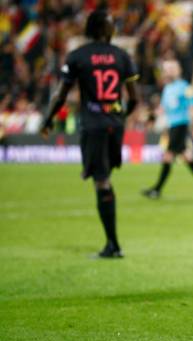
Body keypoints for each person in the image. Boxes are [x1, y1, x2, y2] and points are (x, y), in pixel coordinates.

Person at [40, 9, 138, 258]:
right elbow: (134, 99)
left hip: (93, 125)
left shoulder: (77, 56)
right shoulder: (122, 56)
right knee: (106, 178)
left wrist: (48, 119)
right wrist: (120, 117)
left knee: (101, 181)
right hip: (115, 125)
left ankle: (113, 246)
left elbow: (61, 94)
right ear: (105, 29)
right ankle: (113, 243)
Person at [142, 59, 193, 199]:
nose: (168, 71)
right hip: (173, 126)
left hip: (180, 125)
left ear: (178, 70)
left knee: (168, 156)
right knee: (187, 156)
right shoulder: (167, 88)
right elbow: (162, 109)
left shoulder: (185, 87)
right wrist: (150, 118)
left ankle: (157, 190)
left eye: (171, 68)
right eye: (166, 69)